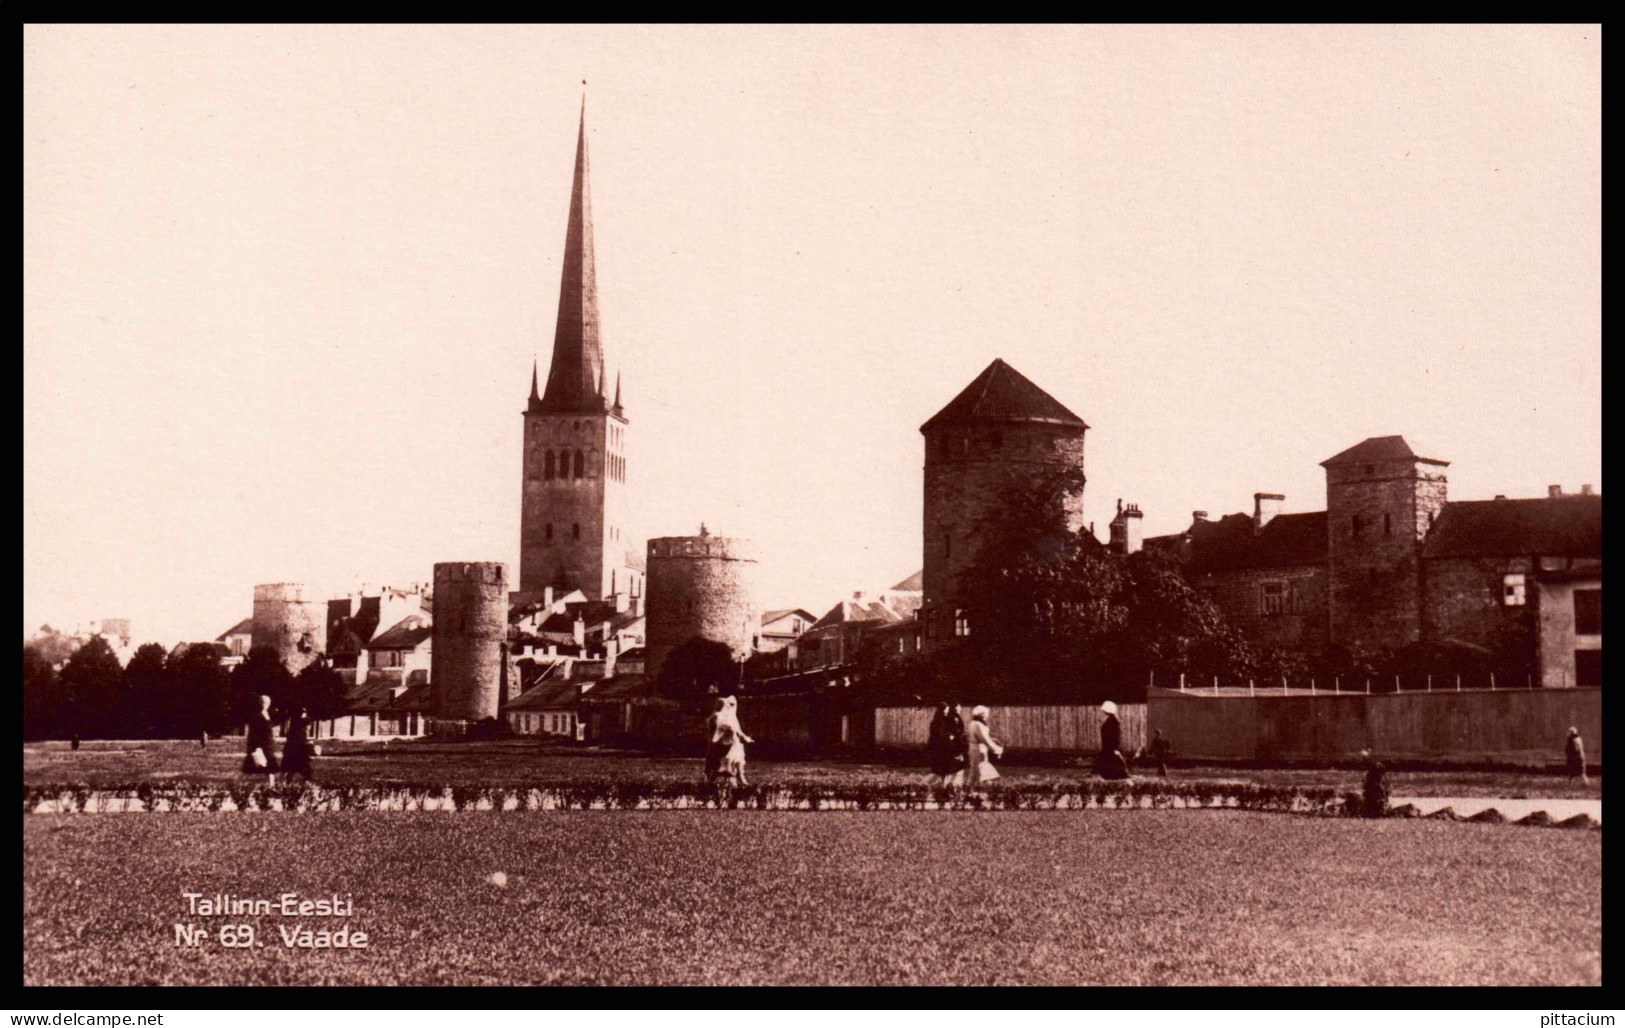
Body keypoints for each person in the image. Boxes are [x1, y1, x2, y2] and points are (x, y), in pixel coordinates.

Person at [242, 694, 280, 786]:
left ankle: (271, 785)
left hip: (269, 744)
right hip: (260, 745)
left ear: (269, 703)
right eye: (262, 702)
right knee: (252, 766)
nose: (264, 704)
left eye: (266, 702)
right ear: (259, 703)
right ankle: (242, 785)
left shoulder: (270, 714)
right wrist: (256, 746)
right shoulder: (255, 716)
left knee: (271, 764)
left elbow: (272, 727)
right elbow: (253, 733)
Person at [927, 702, 967, 787]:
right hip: (940, 748)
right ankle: (925, 784)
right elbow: (938, 735)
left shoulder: (943, 719)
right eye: (946, 709)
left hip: (944, 747)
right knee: (942, 770)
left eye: (947, 709)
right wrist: (949, 736)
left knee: (944, 770)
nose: (947, 711)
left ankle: (943, 786)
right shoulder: (938, 721)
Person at [719, 696, 754, 787]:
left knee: (738, 756)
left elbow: (738, 730)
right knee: (731, 757)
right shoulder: (723, 716)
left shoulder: (733, 716)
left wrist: (746, 738)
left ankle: (740, 777)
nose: (731, 707)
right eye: (729, 705)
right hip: (726, 742)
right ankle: (734, 779)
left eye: (733, 705)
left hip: (734, 741)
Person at [966, 705, 1004, 787]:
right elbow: (984, 739)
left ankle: (970, 788)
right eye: (986, 714)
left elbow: (981, 737)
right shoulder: (978, 725)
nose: (987, 716)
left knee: (975, 771)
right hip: (979, 751)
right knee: (980, 771)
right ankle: (975, 789)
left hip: (975, 749)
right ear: (982, 714)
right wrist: (997, 749)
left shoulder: (972, 723)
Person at [1094, 701, 1129, 780]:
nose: (1103, 712)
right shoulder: (1111, 720)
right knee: (1107, 766)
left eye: (1104, 711)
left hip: (1111, 748)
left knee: (1115, 766)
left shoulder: (1113, 722)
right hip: (1108, 748)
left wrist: (1116, 748)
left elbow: (1116, 736)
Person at [281, 705, 316, 783]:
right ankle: (287, 784)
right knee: (295, 769)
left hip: (296, 749)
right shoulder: (298, 722)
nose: (303, 714)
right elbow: (307, 721)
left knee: (299, 769)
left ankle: (303, 784)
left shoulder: (296, 722)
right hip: (296, 749)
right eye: (302, 713)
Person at [703, 697, 728, 783]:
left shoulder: (713, 715)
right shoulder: (718, 716)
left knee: (711, 760)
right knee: (715, 761)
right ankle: (709, 780)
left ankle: (708, 778)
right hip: (717, 741)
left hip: (713, 740)